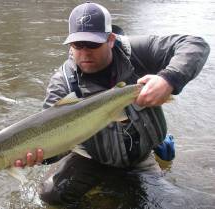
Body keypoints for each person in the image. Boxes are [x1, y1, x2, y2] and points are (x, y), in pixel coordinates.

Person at [15, 2, 210, 208]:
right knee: (50, 196)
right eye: (77, 45)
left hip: (139, 156)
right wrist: (42, 155)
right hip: (93, 157)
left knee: (164, 202)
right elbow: (50, 131)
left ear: (110, 39)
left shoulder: (137, 52)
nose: (85, 52)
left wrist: (168, 79)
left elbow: (196, 45)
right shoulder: (62, 82)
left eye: (92, 44)